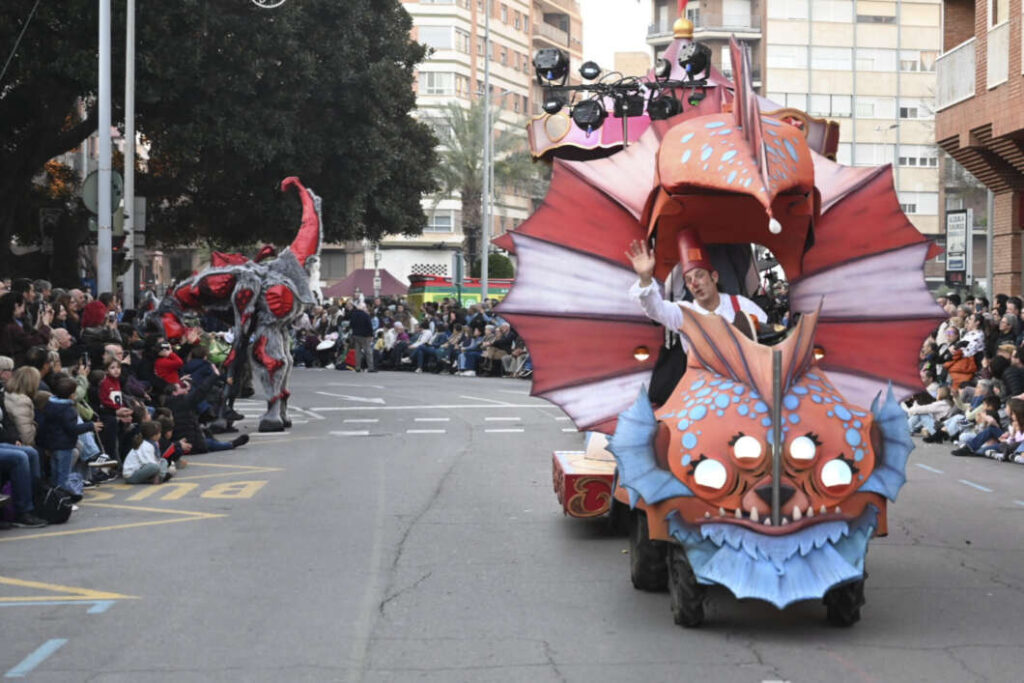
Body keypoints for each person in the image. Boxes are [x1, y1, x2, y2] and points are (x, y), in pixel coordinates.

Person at [626, 231, 768, 343]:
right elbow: (655, 309)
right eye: (688, 280)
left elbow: (768, 332)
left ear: (714, 277)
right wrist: (645, 278)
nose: (694, 283)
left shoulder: (740, 304)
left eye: (699, 275)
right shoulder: (685, 313)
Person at [348, 302, 375, 372]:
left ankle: (357, 367)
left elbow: (351, 325)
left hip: (356, 335)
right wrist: (371, 335)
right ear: (363, 308)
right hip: (365, 335)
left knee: (357, 352)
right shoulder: (365, 315)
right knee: (368, 351)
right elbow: (369, 326)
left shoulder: (353, 315)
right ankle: (370, 367)